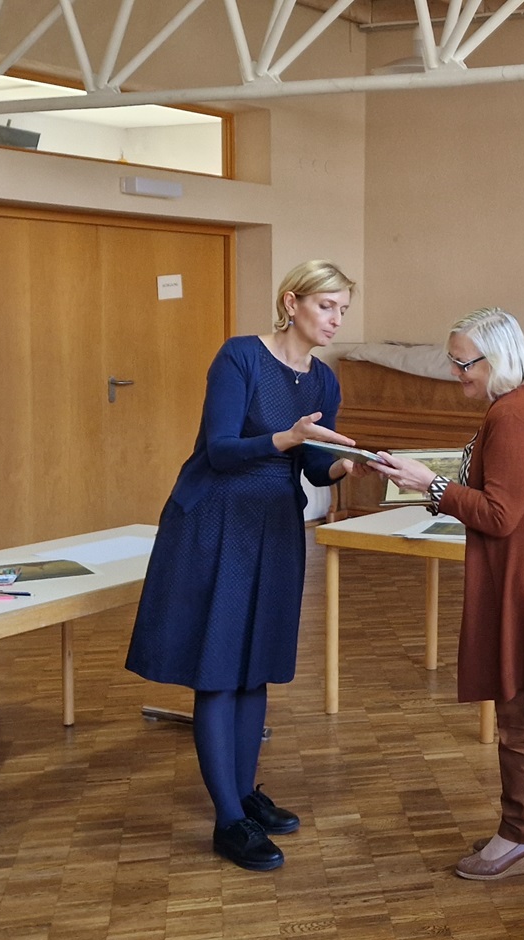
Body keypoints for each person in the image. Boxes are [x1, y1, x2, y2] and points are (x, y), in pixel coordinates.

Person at [126, 260, 358, 872]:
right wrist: (286, 438)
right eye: (327, 306)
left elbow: (311, 467)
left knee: (256, 666)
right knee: (220, 668)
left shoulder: (325, 382)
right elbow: (221, 448)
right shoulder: (240, 358)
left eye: (342, 310)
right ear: (291, 302)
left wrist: (341, 466)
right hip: (216, 519)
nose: (335, 320)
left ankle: (244, 791)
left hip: (274, 523)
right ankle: (228, 820)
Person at [372, 309, 524, 881]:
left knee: (523, 712)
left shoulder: (516, 415)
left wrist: (432, 486)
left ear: (495, 359)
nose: (454, 373)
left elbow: (498, 513)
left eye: (462, 362)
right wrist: (430, 478)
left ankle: (522, 836)